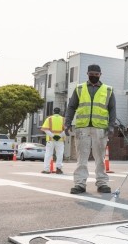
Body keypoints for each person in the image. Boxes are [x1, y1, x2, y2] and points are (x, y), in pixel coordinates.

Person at [64, 64, 116, 194]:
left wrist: (111, 125)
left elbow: (112, 109)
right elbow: (71, 107)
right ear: (87, 74)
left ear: (100, 75)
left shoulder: (108, 90)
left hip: (100, 128)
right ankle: (80, 184)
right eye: (91, 74)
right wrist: (67, 123)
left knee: (100, 157)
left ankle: (102, 183)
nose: (93, 76)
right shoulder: (79, 88)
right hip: (83, 127)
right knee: (82, 157)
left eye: (96, 74)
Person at [40, 107, 65, 174]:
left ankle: (46, 169)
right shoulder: (63, 119)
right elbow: (66, 130)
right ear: (60, 111)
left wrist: (53, 136)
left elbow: (45, 129)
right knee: (60, 154)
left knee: (48, 154)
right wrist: (59, 136)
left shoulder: (49, 119)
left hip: (50, 140)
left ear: (53, 111)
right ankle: (58, 169)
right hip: (60, 140)